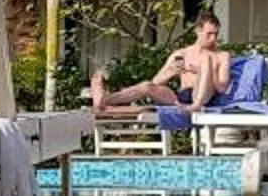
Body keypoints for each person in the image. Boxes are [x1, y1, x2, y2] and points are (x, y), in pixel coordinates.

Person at [91, 12, 232, 118]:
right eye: (209, 34)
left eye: (216, 34)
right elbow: (156, 82)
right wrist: (171, 71)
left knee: (206, 59)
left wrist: (204, 71)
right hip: (181, 97)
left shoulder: (221, 56)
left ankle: (195, 107)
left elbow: (222, 87)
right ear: (198, 31)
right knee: (147, 85)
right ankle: (105, 100)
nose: (213, 38)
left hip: (203, 97)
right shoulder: (182, 53)